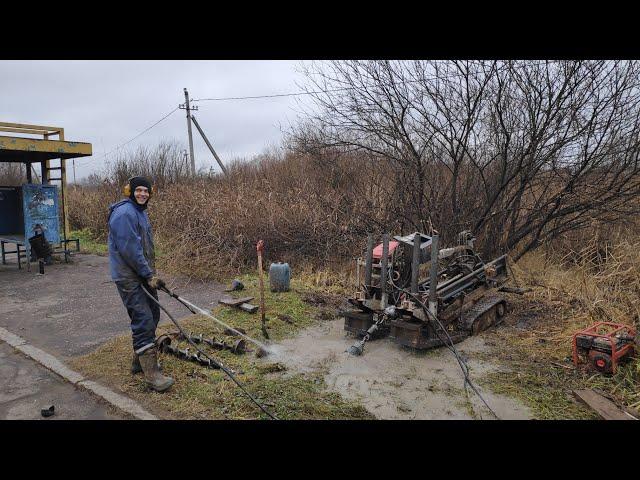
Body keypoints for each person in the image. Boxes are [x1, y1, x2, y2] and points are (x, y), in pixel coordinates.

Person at [107, 176, 174, 392]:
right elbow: (130, 250)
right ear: (130, 191)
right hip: (129, 276)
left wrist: (150, 274)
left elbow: (145, 247)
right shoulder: (125, 213)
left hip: (142, 274)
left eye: (146, 191)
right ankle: (152, 375)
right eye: (138, 191)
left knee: (153, 313)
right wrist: (148, 274)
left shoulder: (140, 212)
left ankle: (140, 362)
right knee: (143, 318)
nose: (143, 194)